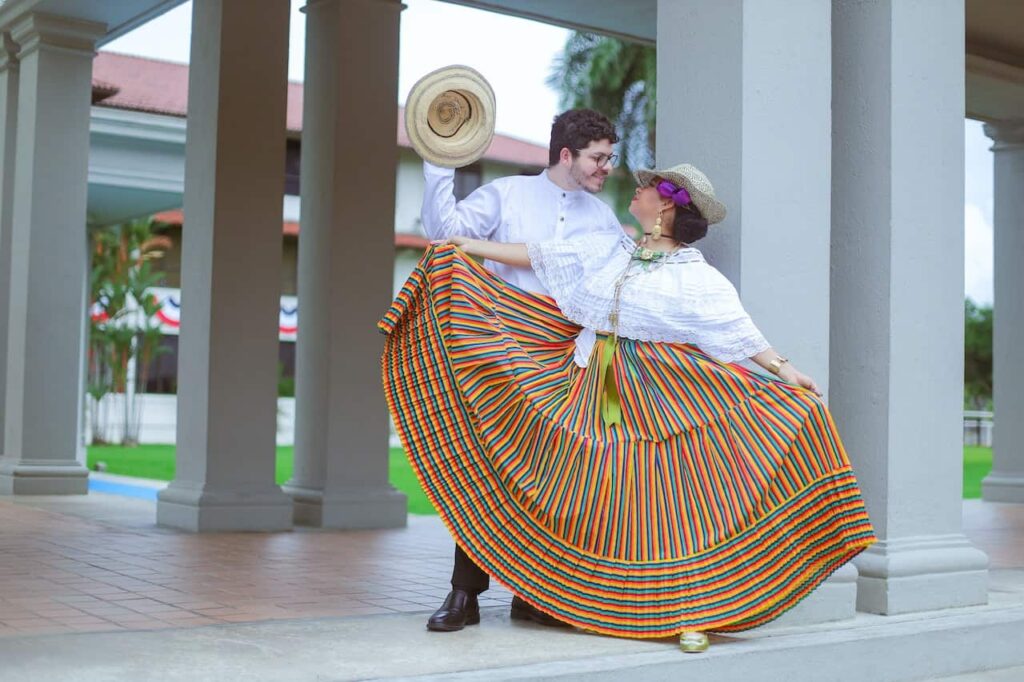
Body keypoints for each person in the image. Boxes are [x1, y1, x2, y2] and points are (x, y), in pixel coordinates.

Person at [380, 161, 876, 651]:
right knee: (560, 487)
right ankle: (539, 594)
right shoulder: (612, 249)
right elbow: (539, 254)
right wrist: (461, 248)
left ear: (664, 205)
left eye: (643, 187)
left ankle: (690, 611)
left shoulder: (694, 276)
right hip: (586, 388)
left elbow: (735, 330)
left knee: (665, 509)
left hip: (659, 399)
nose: (633, 192)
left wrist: (785, 370)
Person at [417, 108, 626, 632]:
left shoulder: (602, 219)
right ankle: (464, 594)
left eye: (609, 157)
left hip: (562, 357)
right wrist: (438, 164)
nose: (607, 168)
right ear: (566, 155)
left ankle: (534, 594)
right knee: (484, 464)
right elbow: (446, 236)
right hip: (498, 348)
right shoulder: (505, 194)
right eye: (599, 158)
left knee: (549, 475)